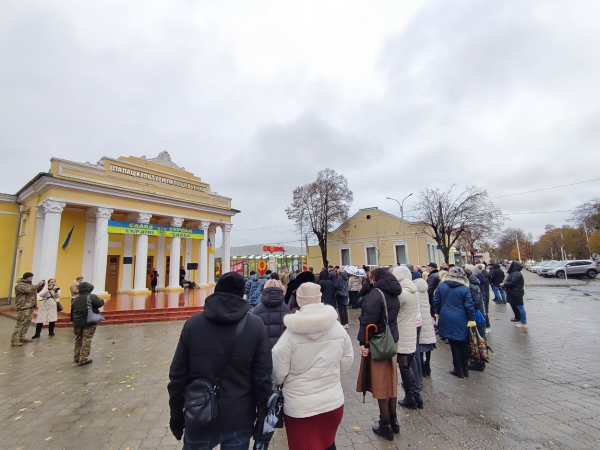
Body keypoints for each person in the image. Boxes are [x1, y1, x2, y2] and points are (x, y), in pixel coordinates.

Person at [168, 272, 272, 449]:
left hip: (198, 414)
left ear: (216, 291)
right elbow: (263, 377)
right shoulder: (255, 326)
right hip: (239, 417)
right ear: (241, 294)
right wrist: (262, 415)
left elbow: (177, 375)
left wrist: (176, 415)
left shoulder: (194, 324)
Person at [273, 282, 354, 450]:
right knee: (328, 443)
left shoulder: (290, 334)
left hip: (300, 408)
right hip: (333, 403)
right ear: (320, 298)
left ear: (299, 301)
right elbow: (347, 362)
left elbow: (278, 373)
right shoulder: (338, 328)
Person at [356, 268, 401, 441]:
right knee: (391, 381)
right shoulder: (394, 291)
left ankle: (385, 424)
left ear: (375, 278)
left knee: (382, 383)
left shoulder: (376, 295)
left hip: (378, 342)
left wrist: (363, 342)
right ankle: (394, 419)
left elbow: (367, 321)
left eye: (370, 278)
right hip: (392, 339)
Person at [433, 267, 476, 378]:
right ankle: (465, 369)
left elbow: (436, 301)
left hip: (446, 316)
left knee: (454, 344)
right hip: (462, 317)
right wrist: (472, 319)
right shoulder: (465, 288)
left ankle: (458, 369)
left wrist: (437, 312)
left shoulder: (442, 286)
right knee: (464, 343)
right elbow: (469, 306)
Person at [392, 266, 422, 410]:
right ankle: (415, 396)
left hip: (403, 331)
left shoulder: (403, 293)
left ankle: (411, 396)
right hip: (410, 329)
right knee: (408, 363)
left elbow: (392, 308)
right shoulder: (413, 290)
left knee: (404, 364)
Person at [71, 282, 104, 366]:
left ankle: (76, 357)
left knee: (78, 339)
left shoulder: (75, 299)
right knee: (86, 340)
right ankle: (84, 359)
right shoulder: (92, 297)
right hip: (89, 322)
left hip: (77, 322)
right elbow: (100, 303)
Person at [252, 279, 290, 350]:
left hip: (263, 350)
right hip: (283, 349)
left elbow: (253, 332)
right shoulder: (287, 309)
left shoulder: (257, 309)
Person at [11, 272, 45, 347]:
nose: (32, 278)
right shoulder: (20, 285)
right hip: (23, 306)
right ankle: (15, 339)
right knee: (20, 323)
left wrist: (41, 286)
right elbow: (28, 290)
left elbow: (35, 290)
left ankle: (22, 337)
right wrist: (38, 284)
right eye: (31, 277)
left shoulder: (30, 285)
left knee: (27, 322)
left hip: (30, 306)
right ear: (27, 277)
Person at [464, 265, 487, 371]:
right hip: (478, 315)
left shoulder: (472, 285)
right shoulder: (474, 283)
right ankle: (478, 360)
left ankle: (479, 362)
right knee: (477, 337)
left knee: (477, 338)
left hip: (476, 316)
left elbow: (476, 302)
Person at [414, 274, 436, 377]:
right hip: (427, 320)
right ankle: (428, 366)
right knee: (427, 344)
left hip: (419, 320)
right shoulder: (424, 288)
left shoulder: (414, 290)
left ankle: (422, 367)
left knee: (420, 345)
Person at [503, 261, 527, 328]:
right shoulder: (514, 273)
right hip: (514, 292)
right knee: (517, 307)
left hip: (516, 292)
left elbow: (513, 283)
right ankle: (519, 319)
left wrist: (505, 284)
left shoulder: (516, 274)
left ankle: (524, 322)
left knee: (520, 307)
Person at [477, 263, 491, 331]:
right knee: (485, 312)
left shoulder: (481, 277)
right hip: (485, 295)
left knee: (483, 312)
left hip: (483, 296)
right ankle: (487, 327)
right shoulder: (485, 275)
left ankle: (486, 327)